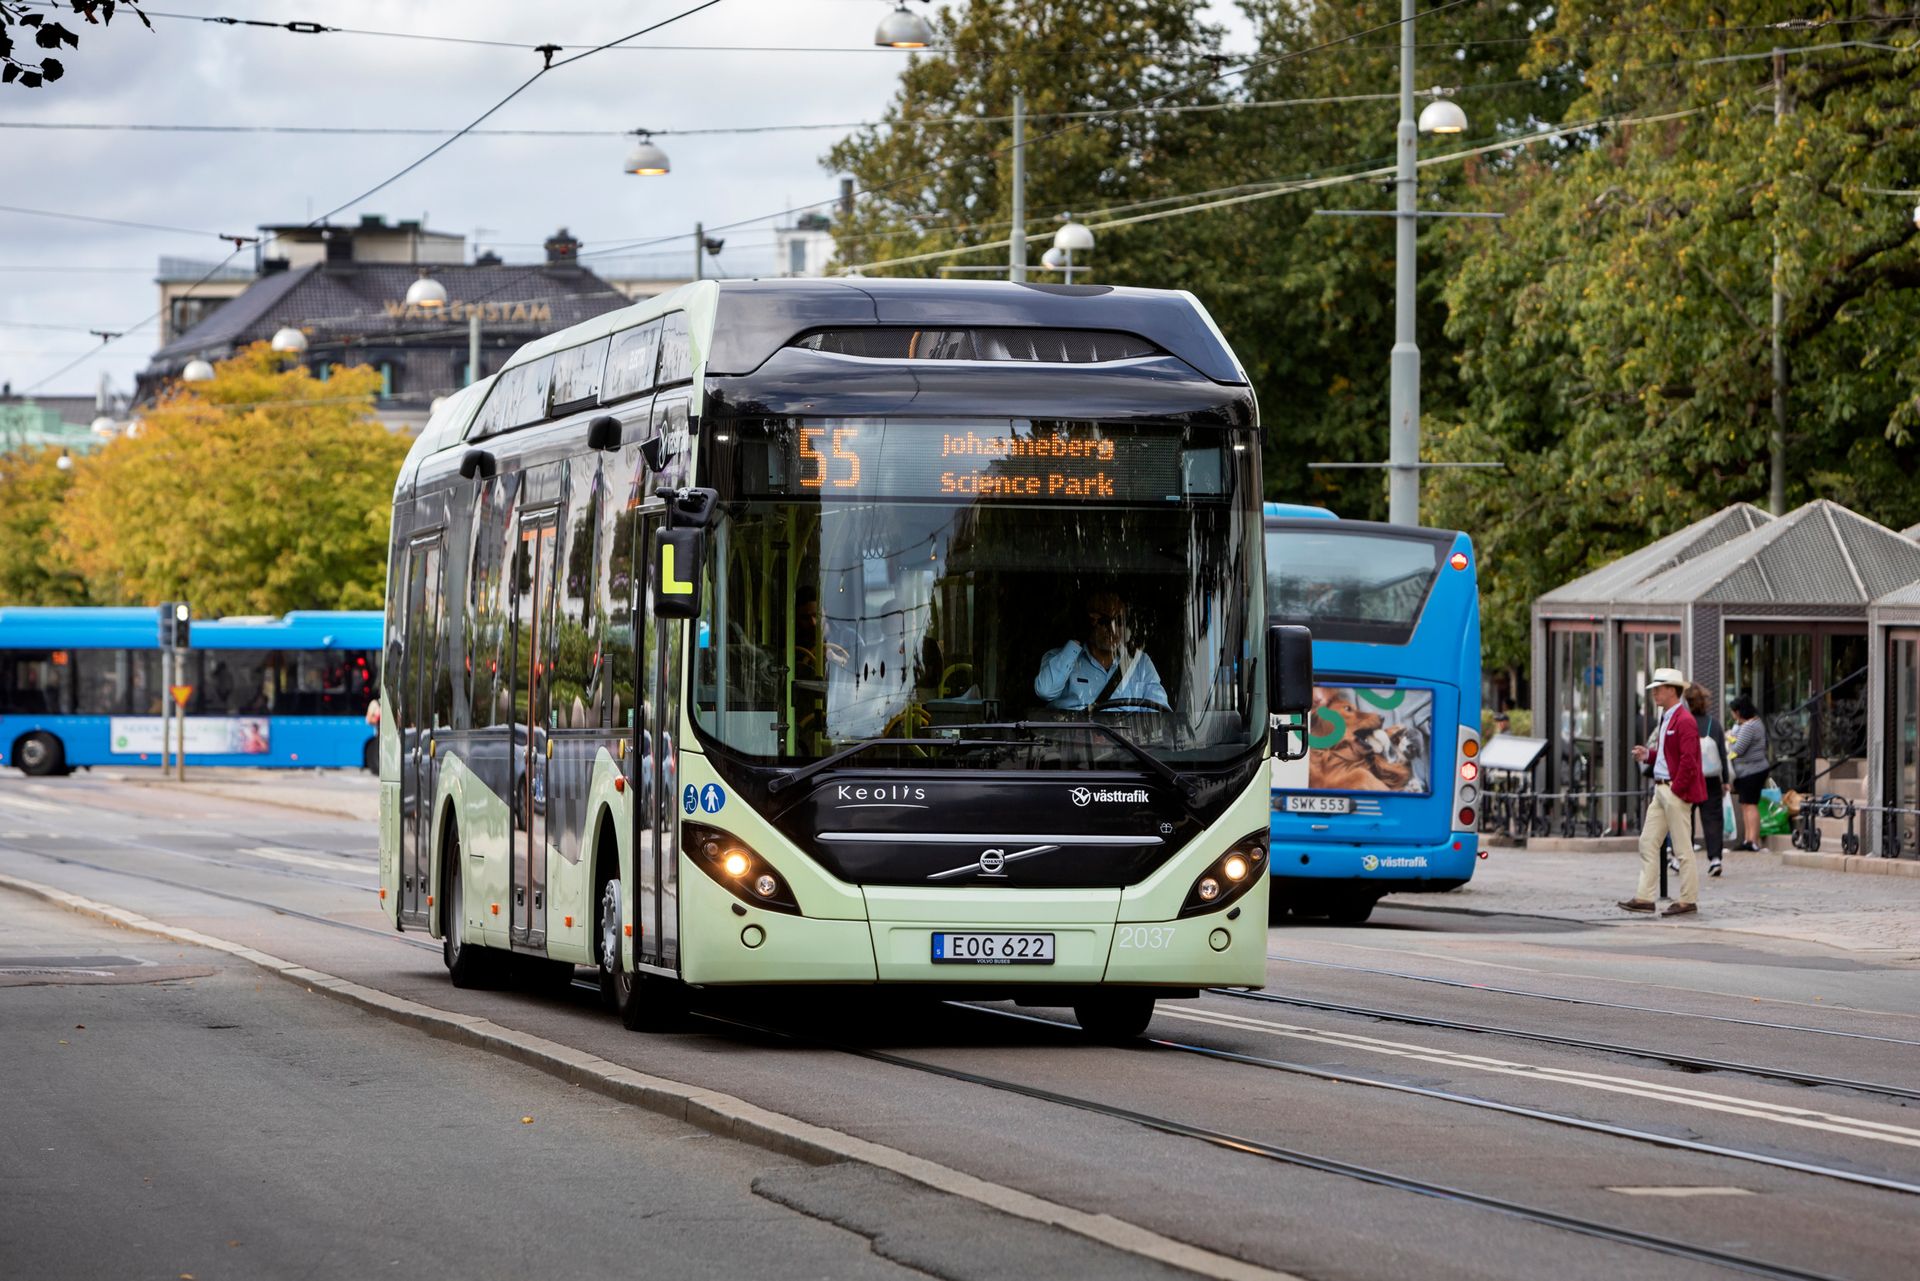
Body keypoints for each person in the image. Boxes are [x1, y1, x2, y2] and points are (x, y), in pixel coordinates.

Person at [1619, 666, 1706, 917]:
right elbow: (1672, 757)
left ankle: (1688, 899)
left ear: (1671, 690)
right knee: (1648, 842)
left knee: (1682, 848)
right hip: (1663, 788)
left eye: (1658, 689)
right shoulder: (1668, 717)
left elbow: (1689, 761)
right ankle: (1645, 897)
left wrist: (1676, 789)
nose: (1654, 693)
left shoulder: (1684, 721)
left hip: (1672, 790)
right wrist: (1649, 756)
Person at [1034, 588, 1167, 712]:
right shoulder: (1059, 658)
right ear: (1086, 621)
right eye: (1104, 621)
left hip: (1124, 737)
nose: (1112, 629)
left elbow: (1159, 712)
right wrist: (1076, 640)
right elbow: (1045, 691)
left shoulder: (1140, 662)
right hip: (1071, 735)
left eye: (1119, 621)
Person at [1686, 683, 1730, 877]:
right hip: (1711, 778)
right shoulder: (1714, 724)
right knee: (1712, 819)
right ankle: (1715, 859)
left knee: (1684, 818)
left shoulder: (1686, 722)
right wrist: (1726, 780)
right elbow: (1723, 754)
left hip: (1690, 777)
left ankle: (1682, 858)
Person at [1727, 695, 1771, 851]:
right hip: (1751, 771)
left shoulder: (1748, 727)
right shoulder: (1755, 722)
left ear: (1738, 712)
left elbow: (1738, 749)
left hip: (1752, 771)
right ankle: (1748, 839)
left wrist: (1730, 739)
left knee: (1750, 804)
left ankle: (1752, 840)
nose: (1732, 715)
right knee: (1746, 804)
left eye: (1733, 712)